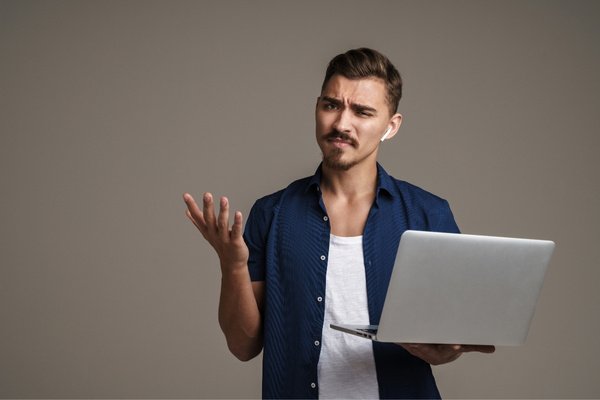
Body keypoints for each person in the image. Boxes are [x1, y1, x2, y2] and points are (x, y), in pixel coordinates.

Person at [183, 48, 494, 399]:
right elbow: (242, 345)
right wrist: (232, 264)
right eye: (331, 105)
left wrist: (446, 349)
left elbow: (449, 337)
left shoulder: (428, 215)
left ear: (391, 126)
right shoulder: (271, 214)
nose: (341, 124)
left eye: (362, 112)